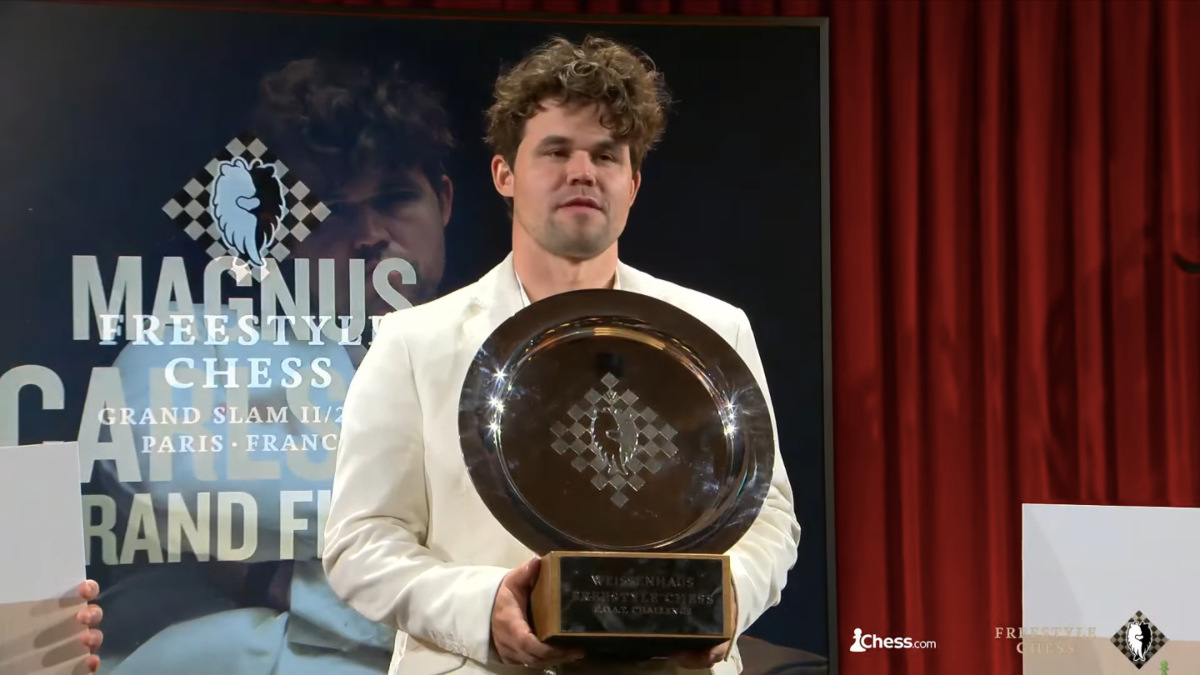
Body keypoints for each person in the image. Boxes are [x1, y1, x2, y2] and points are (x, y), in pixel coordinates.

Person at [322, 35, 802, 674]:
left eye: (606, 155)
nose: (583, 171)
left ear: (632, 183)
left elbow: (765, 513)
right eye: (556, 151)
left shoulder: (714, 330)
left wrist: (727, 597)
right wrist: (485, 608)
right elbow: (361, 540)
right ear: (505, 175)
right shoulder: (415, 342)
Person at [88, 56, 455, 674]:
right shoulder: (189, 348)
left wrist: (281, 578)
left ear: (443, 201)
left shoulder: (496, 367)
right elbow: (192, 486)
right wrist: (439, 536)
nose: (369, 234)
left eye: (395, 198)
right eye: (335, 209)